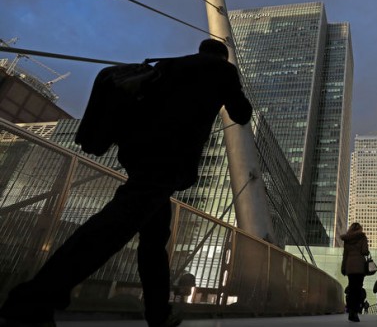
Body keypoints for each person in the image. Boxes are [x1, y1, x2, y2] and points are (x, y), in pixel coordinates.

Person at [0, 39, 252, 327]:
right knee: (112, 227)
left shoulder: (168, 63)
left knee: (154, 239)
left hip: (139, 154)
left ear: (200, 49)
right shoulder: (222, 70)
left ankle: (159, 314)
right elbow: (240, 113)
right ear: (222, 55)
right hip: (168, 159)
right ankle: (32, 300)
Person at [341, 222, 370, 323]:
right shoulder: (362, 237)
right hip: (359, 266)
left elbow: (345, 255)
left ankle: (350, 311)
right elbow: (365, 251)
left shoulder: (347, 239)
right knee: (358, 289)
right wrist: (366, 251)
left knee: (351, 288)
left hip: (350, 266)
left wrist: (343, 267)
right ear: (360, 229)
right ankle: (355, 313)